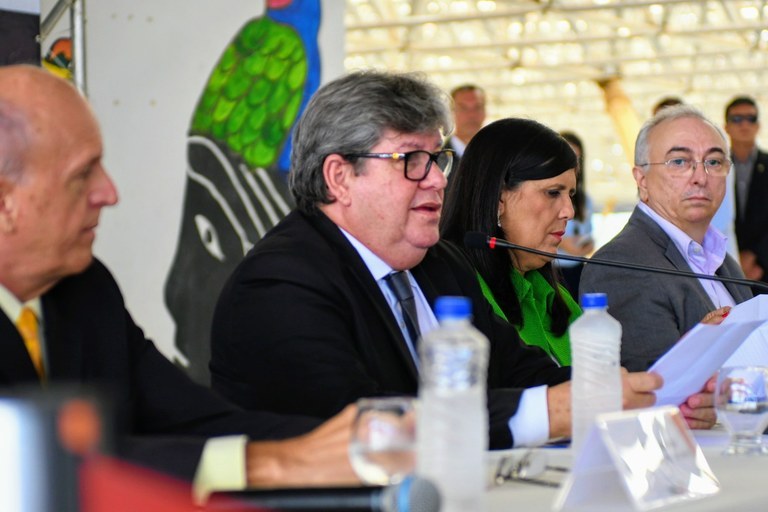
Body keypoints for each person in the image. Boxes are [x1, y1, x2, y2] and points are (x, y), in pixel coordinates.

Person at [210, 70, 718, 449]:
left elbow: (518, 369)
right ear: (340, 177)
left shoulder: (439, 264)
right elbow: (364, 431)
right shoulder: (280, 285)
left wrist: (646, 396)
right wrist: (553, 411)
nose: (437, 180)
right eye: (412, 161)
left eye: (438, 159)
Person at [0, 65, 357, 497]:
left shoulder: (86, 289)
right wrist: (270, 464)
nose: (109, 193)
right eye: (82, 175)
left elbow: (197, 421)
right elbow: (31, 465)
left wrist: (363, 441)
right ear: (5, 202)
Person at [580, 104, 752, 373]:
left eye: (714, 162)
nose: (700, 177)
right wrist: (696, 349)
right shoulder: (621, 265)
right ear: (642, 180)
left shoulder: (723, 261)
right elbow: (648, 387)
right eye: (679, 162)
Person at [440, 119, 581, 367]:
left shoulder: (553, 296)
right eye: (552, 193)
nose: (569, 211)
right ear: (498, 199)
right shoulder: (459, 290)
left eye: (570, 194)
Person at [724, 96, 768, 286]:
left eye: (751, 118)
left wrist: (757, 257)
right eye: (737, 119)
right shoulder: (715, 167)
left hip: (763, 269)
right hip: (724, 266)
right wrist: (734, 258)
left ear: (758, 125)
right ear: (726, 127)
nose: (744, 124)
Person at [555, 131, 594, 299]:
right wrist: (563, 243)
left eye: (577, 160)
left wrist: (586, 245)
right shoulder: (545, 194)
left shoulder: (585, 199)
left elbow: (588, 234)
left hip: (577, 268)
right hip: (553, 269)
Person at [444, 84, 486, 159]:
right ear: (451, 112)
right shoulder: (436, 161)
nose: (471, 114)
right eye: (463, 108)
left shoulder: (500, 155)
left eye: (477, 107)